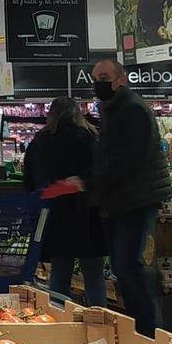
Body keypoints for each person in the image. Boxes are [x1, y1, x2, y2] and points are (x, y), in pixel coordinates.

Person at [87, 59, 172, 335]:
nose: (99, 82)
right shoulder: (113, 110)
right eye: (95, 78)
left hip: (137, 199)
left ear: (120, 79)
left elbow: (126, 160)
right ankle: (139, 328)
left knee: (130, 266)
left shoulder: (132, 110)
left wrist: (90, 184)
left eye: (104, 76)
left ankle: (150, 331)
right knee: (123, 266)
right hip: (120, 201)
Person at [21, 97, 107, 307]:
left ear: (51, 114)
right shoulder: (91, 137)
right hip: (88, 214)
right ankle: (101, 318)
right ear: (77, 112)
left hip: (55, 214)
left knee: (60, 271)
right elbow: (103, 175)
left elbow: (29, 179)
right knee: (94, 273)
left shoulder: (40, 141)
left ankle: (59, 316)